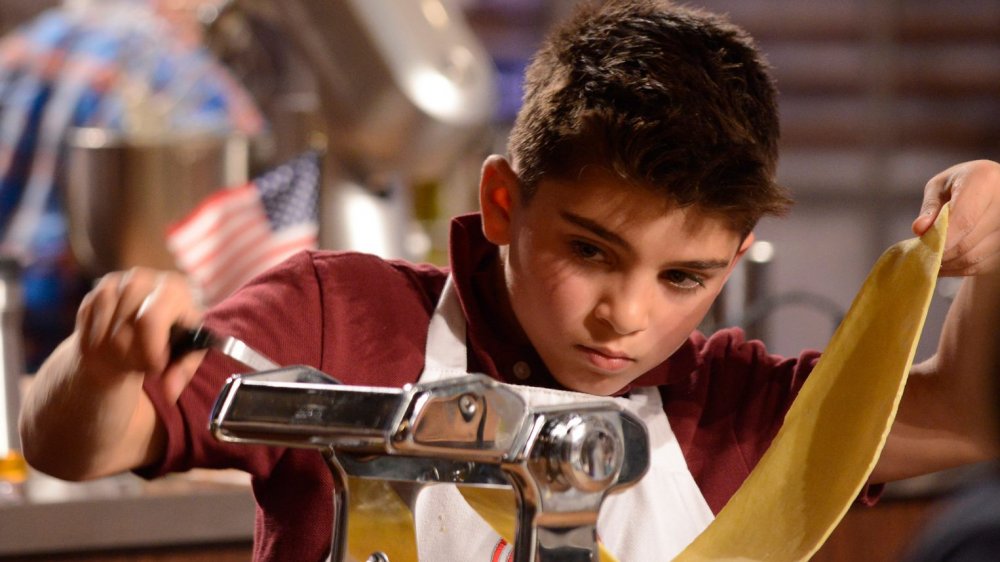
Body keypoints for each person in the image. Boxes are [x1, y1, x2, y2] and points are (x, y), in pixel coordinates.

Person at [17, 1, 1000, 560]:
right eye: (590, 252)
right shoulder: (337, 318)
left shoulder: (739, 414)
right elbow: (72, 448)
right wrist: (102, 366)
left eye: (683, 276)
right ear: (502, 205)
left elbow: (967, 415)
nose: (626, 314)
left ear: (735, 260)